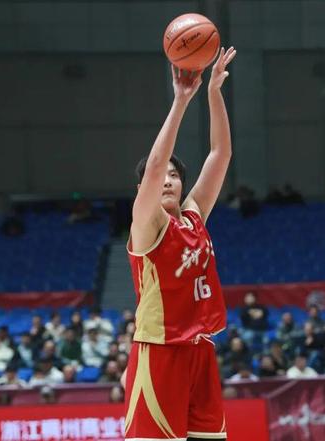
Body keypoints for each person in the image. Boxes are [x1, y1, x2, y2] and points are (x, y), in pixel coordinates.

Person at [123, 47, 236, 441]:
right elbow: (155, 165)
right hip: (160, 349)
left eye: (175, 175)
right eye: (162, 176)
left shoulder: (193, 216)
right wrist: (182, 100)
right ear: (143, 189)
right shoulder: (146, 225)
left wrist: (214, 94)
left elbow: (221, 154)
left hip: (200, 348)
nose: (168, 179)